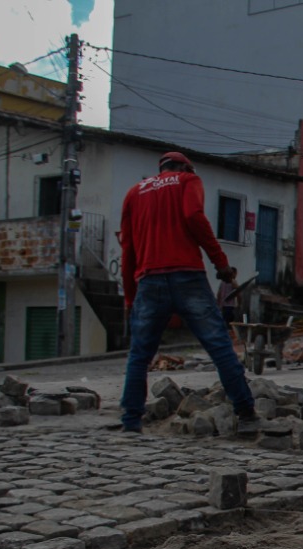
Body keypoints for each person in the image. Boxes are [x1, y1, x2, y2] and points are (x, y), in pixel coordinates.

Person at [117, 151, 256, 434]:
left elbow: (128, 249)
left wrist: (129, 298)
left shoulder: (134, 193)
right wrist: (221, 264)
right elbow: (194, 217)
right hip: (187, 276)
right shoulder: (188, 181)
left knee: (140, 354)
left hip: (148, 279)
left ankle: (131, 420)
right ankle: (246, 412)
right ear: (184, 167)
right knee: (218, 345)